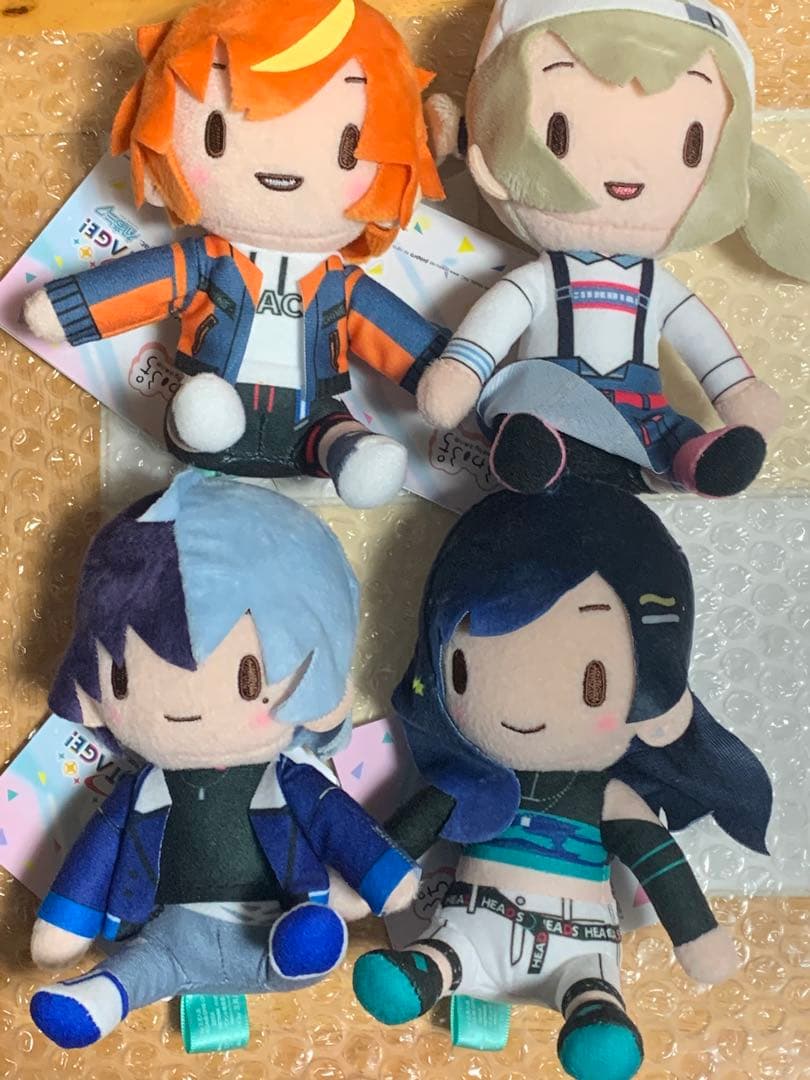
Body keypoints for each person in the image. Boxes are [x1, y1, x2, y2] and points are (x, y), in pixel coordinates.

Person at [352, 480, 772, 1080]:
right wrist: (360, 885)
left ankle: (593, 1010)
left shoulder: (607, 796)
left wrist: (696, 934)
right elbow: (404, 835)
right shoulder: (466, 781)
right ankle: (431, 972)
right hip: (469, 927)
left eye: (593, 681)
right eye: (463, 671)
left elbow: (657, 858)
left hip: (573, 946)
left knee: (587, 983)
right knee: (447, 952)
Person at [29, 471, 417, 1049]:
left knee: (303, 945)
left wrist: (383, 879)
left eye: (247, 678)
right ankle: (105, 994)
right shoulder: (139, 793)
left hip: (275, 926)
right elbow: (96, 855)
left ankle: (297, 952)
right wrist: (67, 923)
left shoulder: (289, 782)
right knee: (143, 965)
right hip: (165, 933)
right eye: (123, 677)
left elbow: (338, 825)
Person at [23, 0, 448, 507]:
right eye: (216, 135)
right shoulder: (209, 262)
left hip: (311, 412)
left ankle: (345, 450)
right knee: (205, 407)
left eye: (347, 147)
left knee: (334, 429)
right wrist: (69, 309)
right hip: (218, 397)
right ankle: (210, 425)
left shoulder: (340, 285)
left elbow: (388, 329)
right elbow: (142, 284)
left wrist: (445, 371)